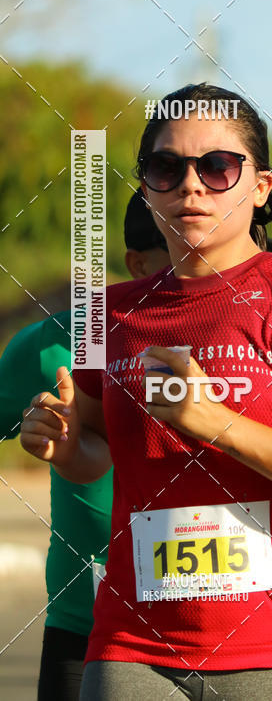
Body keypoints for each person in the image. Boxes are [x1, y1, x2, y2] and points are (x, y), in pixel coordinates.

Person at [20, 83, 272, 701]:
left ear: (261, 187)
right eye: (166, 167)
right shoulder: (107, 316)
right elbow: (95, 454)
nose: (191, 185)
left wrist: (216, 423)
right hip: (131, 646)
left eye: (218, 166)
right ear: (145, 186)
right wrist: (58, 443)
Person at [0, 189, 170, 700]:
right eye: (181, 261)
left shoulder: (266, 329)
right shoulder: (56, 344)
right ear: (136, 264)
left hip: (243, 629)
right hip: (88, 628)